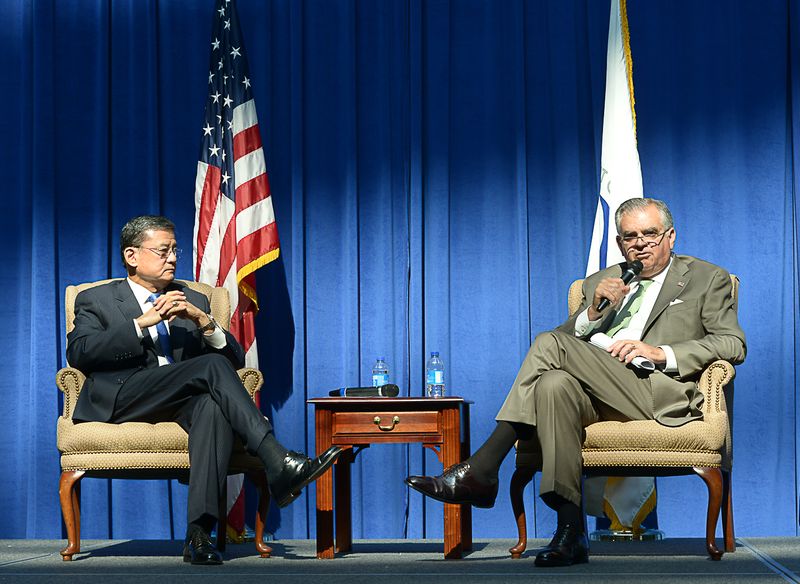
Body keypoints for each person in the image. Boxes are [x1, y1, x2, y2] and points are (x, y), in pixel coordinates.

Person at [405, 198, 746, 567]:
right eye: (631, 236)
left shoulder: (706, 278)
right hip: (595, 391)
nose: (641, 243)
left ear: (671, 236)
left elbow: (731, 343)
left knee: (548, 346)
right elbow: (562, 342)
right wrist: (594, 312)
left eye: (650, 233)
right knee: (552, 384)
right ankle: (570, 533)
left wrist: (661, 351)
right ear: (619, 243)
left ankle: (483, 469)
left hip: (655, 389)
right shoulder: (603, 282)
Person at [67, 215, 342, 565]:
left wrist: (205, 322)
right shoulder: (97, 298)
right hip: (124, 396)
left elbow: (235, 360)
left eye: (174, 250)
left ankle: (198, 535)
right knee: (211, 367)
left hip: (180, 399)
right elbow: (80, 352)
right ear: (132, 256)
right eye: (162, 250)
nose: (172, 258)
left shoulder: (193, 297)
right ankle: (275, 459)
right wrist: (139, 324)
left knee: (212, 408)